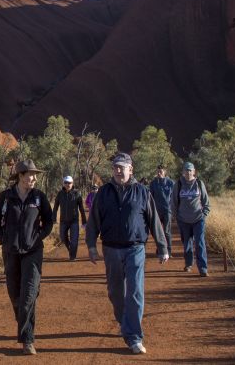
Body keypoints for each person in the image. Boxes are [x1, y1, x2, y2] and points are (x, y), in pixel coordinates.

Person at [85, 152, 169, 355]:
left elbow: (153, 219)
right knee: (115, 293)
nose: (118, 170)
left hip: (135, 248)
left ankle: (134, 337)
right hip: (111, 248)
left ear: (131, 169)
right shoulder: (103, 193)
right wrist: (91, 245)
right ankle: (125, 322)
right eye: (115, 167)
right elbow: (94, 220)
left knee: (134, 292)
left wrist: (162, 247)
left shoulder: (142, 191)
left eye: (122, 167)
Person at [0, 159, 54, 356]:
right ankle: (24, 323)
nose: (33, 178)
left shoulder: (39, 197)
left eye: (35, 175)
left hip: (33, 252)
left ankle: (27, 339)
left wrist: (38, 238)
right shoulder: (6, 197)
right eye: (29, 175)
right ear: (19, 176)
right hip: (10, 252)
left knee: (28, 295)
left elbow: (49, 221)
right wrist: (2, 240)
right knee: (15, 295)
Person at [172, 161, 211, 276]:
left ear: (194, 172)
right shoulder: (178, 184)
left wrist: (204, 213)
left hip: (198, 219)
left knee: (200, 243)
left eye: (190, 170)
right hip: (183, 220)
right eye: (186, 170)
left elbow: (206, 201)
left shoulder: (199, 183)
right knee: (187, 244)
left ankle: (203, 269)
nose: (188, 172)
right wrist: (175, 216)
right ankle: (188, 264)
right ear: (183, 172)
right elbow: (173, 202)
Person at [53, 175, 87, 260]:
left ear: (72, 183)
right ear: (63, 184)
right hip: (63, 221)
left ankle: (73, 256)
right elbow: (56, 206)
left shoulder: (77, 193)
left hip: (74, 221)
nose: (68, 184)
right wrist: (53, 218)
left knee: (74, 240)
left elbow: (81, 208)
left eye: (70, 183)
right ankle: (71, 250)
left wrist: (84, 221)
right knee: (63, 238)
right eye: (66, 182)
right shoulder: (60, 194)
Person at [148, 165, 175, 257]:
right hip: (157, 211)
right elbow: (150, 197)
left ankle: (169, 250)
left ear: (165, 172)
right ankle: (160, 249)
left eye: (161, 172)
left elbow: (174, 197)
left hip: (167, 210)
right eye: (158, 172)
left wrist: (174, 210)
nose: (159, 173)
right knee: (158, 231)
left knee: (167, 231)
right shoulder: (153, 183)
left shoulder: (171, 183)